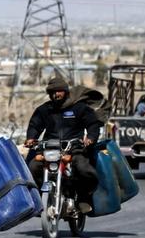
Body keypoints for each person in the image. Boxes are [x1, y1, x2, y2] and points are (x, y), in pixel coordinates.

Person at [24, 75, 101, 214]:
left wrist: (90, 137)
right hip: (50, 148)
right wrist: (31, 138)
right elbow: (35, 125)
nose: (56, 94)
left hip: (74, 148)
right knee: (33, 167)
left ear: (65, 91)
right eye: (52, 92)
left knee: (84, 170)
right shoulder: (44, 109)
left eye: (58, 91)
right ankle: (40, 199)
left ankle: (83, 198)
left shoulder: (79, 108)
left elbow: (92, 124)